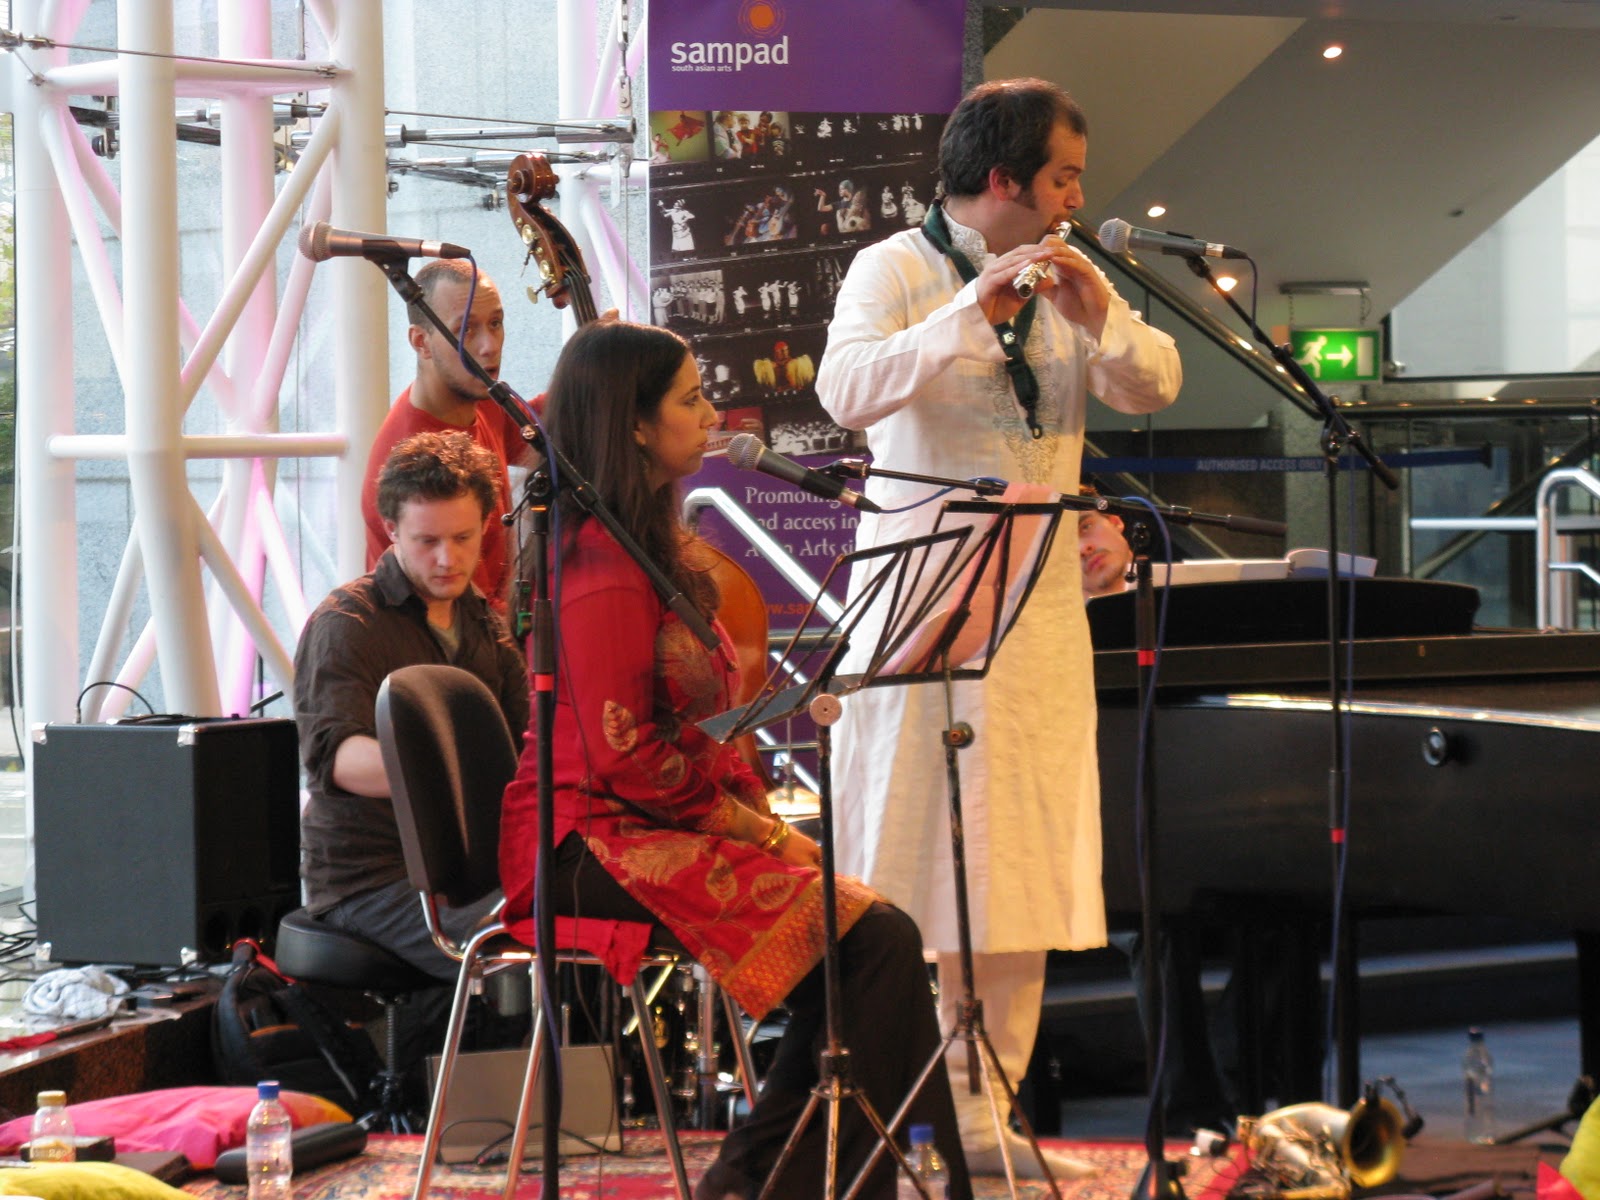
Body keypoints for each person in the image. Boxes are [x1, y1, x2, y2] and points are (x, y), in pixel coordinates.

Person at [497, 321, 972, 1200]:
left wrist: (759, 823)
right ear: (635, 426)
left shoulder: (655, 547)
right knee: (872, 944)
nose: (713, 413)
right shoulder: (600, 568)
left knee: (870, 942)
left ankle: (776, 1181)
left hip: (646, 817)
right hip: (583, 842)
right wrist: (757, 830)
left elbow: (703, 731)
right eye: (691, 399)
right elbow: (625, 753)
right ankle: (774, 1181)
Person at [814, 77, 1182, 1180]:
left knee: (1017, 867)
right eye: (1064, 175)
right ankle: (907, 1113)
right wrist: (969, 310)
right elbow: (845, 390)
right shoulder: (895, 267)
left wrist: (1096, 317)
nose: (1078, 195)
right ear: (1004, 179)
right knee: (905, 861)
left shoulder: (1079, 273)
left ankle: (992, 1121)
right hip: (922, 612)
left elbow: (1156, 382)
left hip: (1036, 620)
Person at [296, 431, 530, 1081]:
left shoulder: (484, 620)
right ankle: (486, 1116)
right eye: (427, 541)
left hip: (469, 867)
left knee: (580, 914)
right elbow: (338, 760)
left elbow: (521, 745)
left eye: (463, 538)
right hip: (370, 878)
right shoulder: (350, 622)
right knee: (521, 944)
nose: (448, 558)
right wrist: (450, 774)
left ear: (487, 526)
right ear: (390, 529)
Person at [359, 260, 529, 612]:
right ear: (421, 342)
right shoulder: (410, 458)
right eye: (466, 329)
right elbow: (462, 611)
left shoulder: (482, 397)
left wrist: (591, 363)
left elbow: (545, 434)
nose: (489, 346)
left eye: (495, 324)